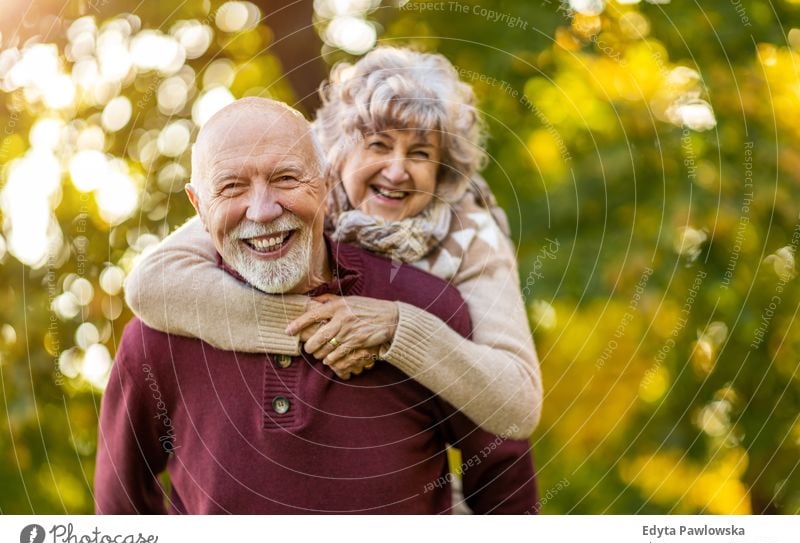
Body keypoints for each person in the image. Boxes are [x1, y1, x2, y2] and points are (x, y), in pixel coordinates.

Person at [95, 98, 536, 514]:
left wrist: (399, 331)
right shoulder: (157, 338)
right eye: (231, 187)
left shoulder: (428, 304)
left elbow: (506, 487)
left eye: (286, 178)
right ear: (198, 204)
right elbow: (121, 512)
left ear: (327, 184)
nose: (263, 211)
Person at [125, 47, 542, 440]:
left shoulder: (471, 235)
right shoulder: (290, 192)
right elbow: (152, 283)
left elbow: (517, 403)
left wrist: (396, 327)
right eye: (378, 144)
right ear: (336, 153)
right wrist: (314, 327)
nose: (396, 172)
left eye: (419, 153)